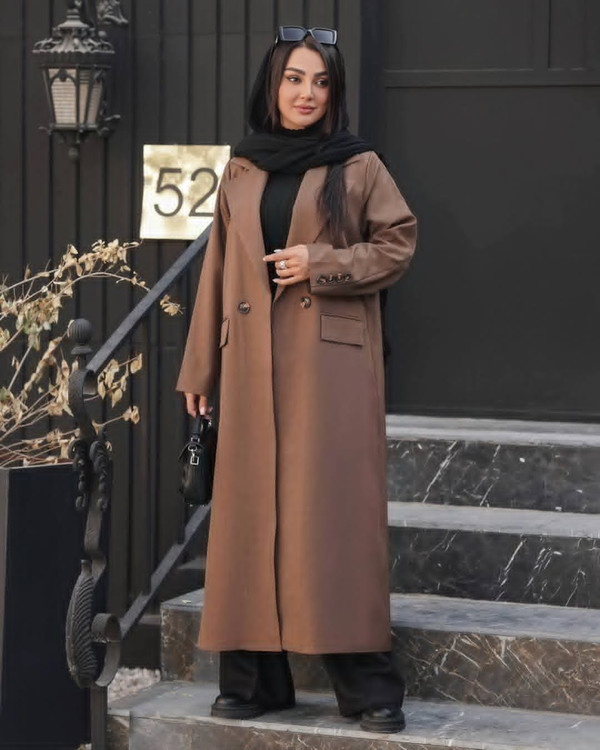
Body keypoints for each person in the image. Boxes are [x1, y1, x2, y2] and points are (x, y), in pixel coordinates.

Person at [175, 25, 417, 734]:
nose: (307, 93)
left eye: (320, 81)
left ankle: (367, 686)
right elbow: (218, 267)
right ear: (272, 85)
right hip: (249, 361)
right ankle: (254, 679)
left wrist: (323, 261)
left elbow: (398, 243)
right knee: (248, 516)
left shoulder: (358, 164)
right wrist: (201, 365)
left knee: (333, 515)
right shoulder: (242, 168)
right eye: (294, 78)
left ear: (334, 92)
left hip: (330, 364)